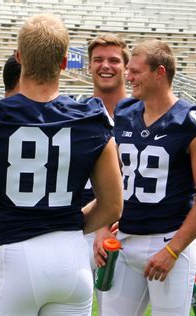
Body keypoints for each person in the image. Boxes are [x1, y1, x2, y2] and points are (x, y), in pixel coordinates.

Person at [0, 13, 123, 315]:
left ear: (19, 58)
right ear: (65, 62)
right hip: (71, 260)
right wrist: (68, 224)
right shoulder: (91, 118)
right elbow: (112, 206)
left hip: (12, 256)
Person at [94, 39, 196, 315]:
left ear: (159, 72)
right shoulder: (126, 112)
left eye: (136, 71)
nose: (128, 77)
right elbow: (112, 177)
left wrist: (174, 250)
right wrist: (102, 227)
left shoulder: (191, 120)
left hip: (170, 240)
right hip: (126, 239)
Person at [82, 34, 129, 273]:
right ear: (89, 65)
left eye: (114, 60)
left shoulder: (142, 115)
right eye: (98, 59)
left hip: (123, 229)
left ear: (126, 67)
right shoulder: (75, 113)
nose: (106, 66)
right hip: (76, 223)